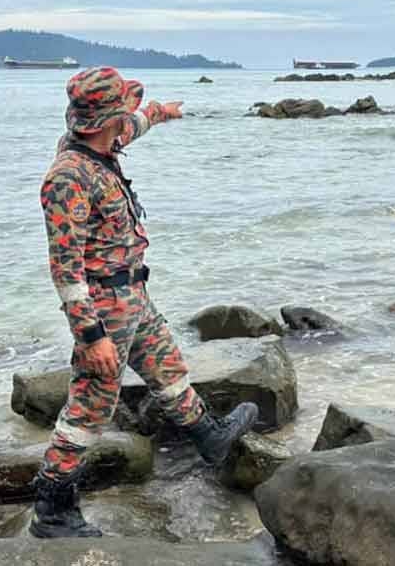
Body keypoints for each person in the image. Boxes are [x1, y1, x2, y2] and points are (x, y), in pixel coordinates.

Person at [30, 66, 259, 539]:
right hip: (104, 305)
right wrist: (90, 335)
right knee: (89, 407)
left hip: (132, 292)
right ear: (107, 120)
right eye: (124, 112)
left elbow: (136, 124)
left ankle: (209, 437)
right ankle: (52, 510)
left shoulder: (103, 144)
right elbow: (65, 268)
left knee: (166, 367)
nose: (128, 121)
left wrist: (162, 113)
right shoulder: (68, 177)